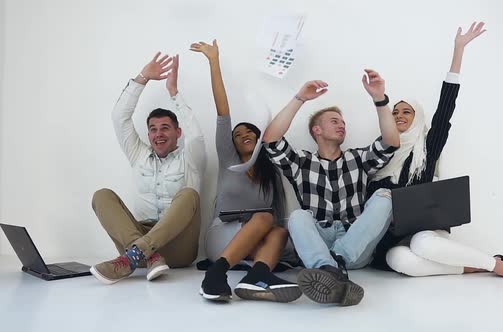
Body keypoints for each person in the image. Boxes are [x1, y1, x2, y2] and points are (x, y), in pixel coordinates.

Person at [367, 22, 503, 281]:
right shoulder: (379, 153)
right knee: (398, 260)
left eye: (406, 111)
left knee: (423, 245)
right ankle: (477, 267)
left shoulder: (426, 149)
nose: (399, 116)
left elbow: (445, 110)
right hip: (391, 239)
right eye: (394, 112)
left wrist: (458, 50)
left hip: (427, 231)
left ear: (417, 117)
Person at [262, 70, 400, 306]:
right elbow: (271, 140)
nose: (342, 126)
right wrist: (299, 99)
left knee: (385, 197)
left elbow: (391, 142)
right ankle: (330, 269)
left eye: (343, 123)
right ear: (317, 130)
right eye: (334, 121)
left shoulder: (358, 159)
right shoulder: (301, 162)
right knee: (297, 216)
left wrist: (379, 98)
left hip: (355, 243)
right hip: (318, 242)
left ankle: (332, 265)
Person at [190, 40, 301, 303]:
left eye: (249, 130)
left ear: (258, 137)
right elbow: (223, 111)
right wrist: (214, 61)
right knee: (263, 219)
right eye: (237, 134)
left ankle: (256, 278)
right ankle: (215, 275)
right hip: (222, 236)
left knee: (279, 230)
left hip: (258, 241)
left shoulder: (270, 168)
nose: (243, 135)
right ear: (231, 142)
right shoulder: (228, 159)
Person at [90, 52, 206, 284]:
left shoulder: (190, 159)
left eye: (165, 128)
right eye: (153, 129)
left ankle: (134, 256)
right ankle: (144, 253)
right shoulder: (138, 154)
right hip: (138, 239)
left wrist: (173, 92)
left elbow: (196, 135)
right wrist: (142, 78)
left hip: (178, 248)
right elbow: (119, 117)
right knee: (101, 195)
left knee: (189, 195)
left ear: (177, 133)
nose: (158, 134)